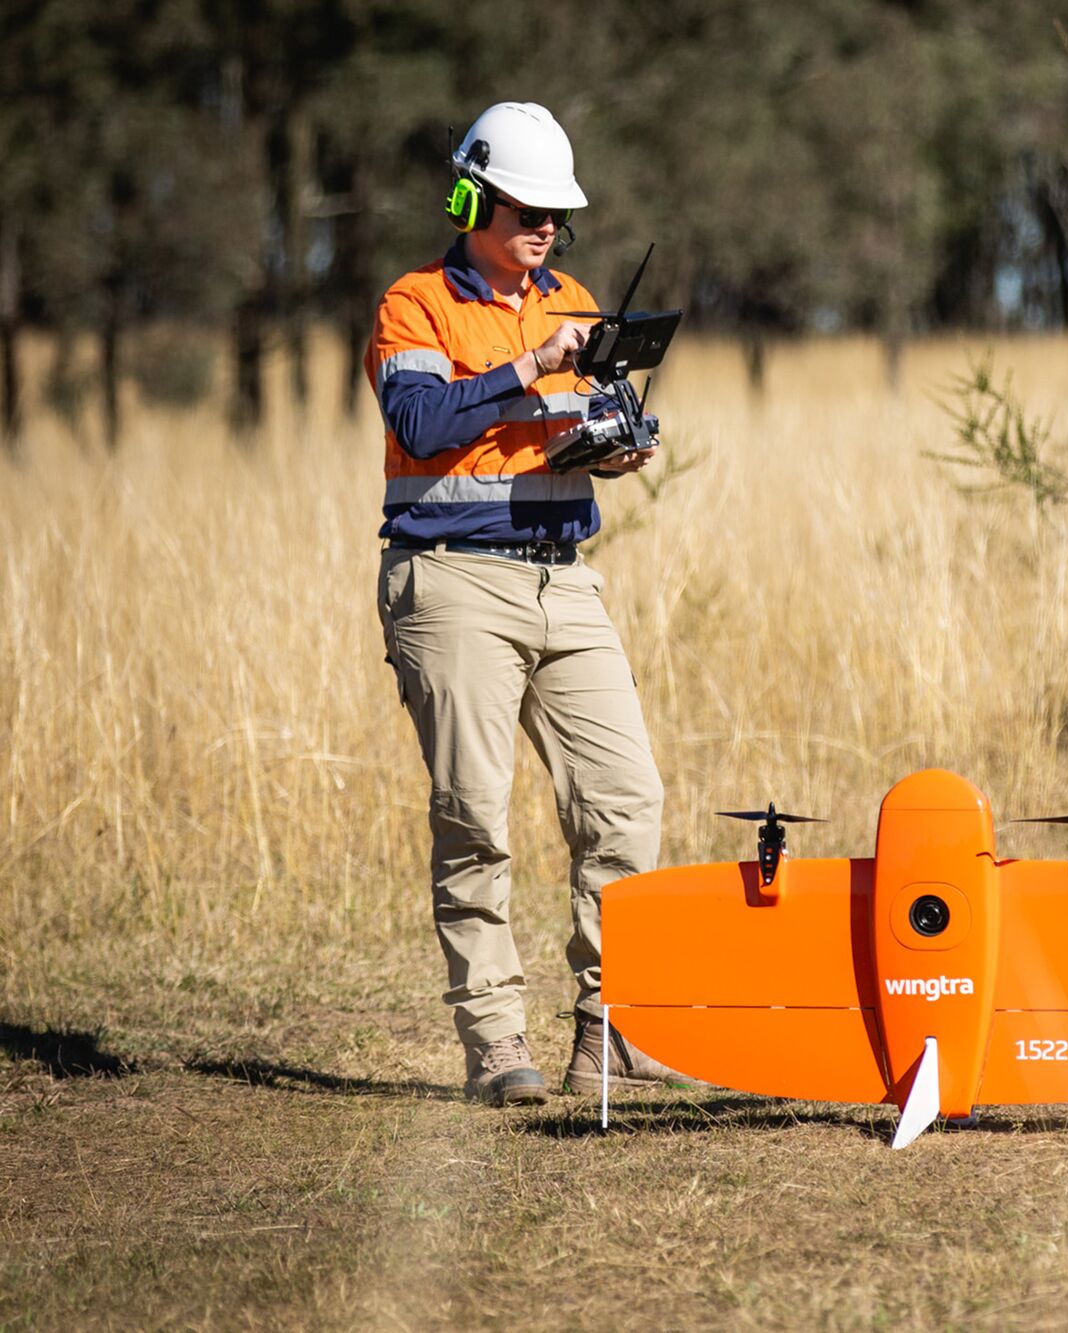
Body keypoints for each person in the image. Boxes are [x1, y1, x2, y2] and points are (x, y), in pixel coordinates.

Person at [368, 102, 675, 1105]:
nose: (542, 228)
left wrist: (615, 447)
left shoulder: (576, 301)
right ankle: (496, 1043)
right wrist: (528, 365)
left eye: (556, 214)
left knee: (625, 801)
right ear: (471, 200)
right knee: (474, 817)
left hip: (565, 577)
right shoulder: (414, 307)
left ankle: (608, 1030)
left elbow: (571, 434)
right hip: (450, 579)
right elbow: (416, 417)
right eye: (523, 208)